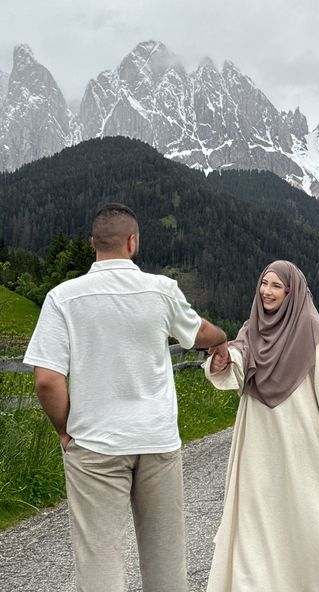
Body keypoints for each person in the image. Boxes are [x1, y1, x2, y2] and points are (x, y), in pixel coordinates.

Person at [23, 203, 227, 592]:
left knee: (100, 563)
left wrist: (67, 431)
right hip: (156, 440)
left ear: (93, 244)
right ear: (132, 242)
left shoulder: (62, 298)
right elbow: (198, 332)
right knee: (166, 562)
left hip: (95, 444)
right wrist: (220, 340)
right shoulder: (161, 290)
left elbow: (47, 380)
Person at [203, 260, 319, 592]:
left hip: (301, 440)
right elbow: (238, 360)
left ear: (291, 292)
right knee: (257, 514)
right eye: (264, 284)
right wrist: (223, 361)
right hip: (259, 442)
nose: (267, 292)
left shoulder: (308, 328)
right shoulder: (250, 330)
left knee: (307, 511)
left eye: (276, 286)